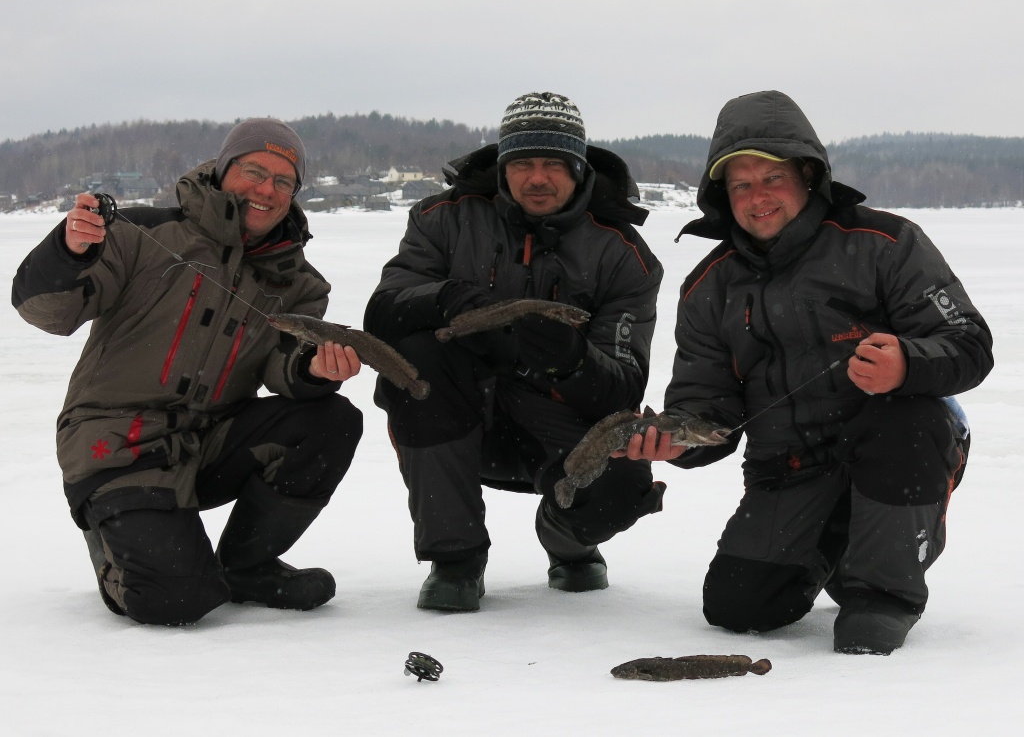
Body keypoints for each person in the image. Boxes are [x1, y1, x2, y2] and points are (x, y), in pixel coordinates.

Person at [622, 90, 993, 654]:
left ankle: (881, 592)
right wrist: (678, 444)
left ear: (807, 175)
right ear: (723, 195)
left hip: (899, 438)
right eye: (740, 184)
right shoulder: (707, 287)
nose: (757, 197)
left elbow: (969, 344)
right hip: (789, 464)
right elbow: (708, 407)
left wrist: (906, 365)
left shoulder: (886, 243)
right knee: (739, 607)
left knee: (907, 426)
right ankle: (846, 540)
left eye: (771, 177)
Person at [12, 118, 364, 625]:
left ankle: (248, 566)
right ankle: (113, 542)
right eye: (253, 171)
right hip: (117, 444)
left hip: (210, 442)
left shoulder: (300, 283)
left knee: (331, 420)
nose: (266, 189)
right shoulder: (140, 234)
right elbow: (48, 312)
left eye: (283, 181)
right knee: (177, 599)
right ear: (223, 170)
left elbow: (282, 369)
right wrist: (69, 252)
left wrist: (314, 370)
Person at [364, 92, 665, 611]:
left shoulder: (623, 253)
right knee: (415, 363)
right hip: (459, 412)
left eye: (554, 164)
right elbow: (383, 313)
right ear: (504, 168)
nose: (538, 178)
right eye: (523, 163)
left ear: (578, 167)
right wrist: (446, 297)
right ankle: (455, 559)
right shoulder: (443, 219)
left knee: (622, 483)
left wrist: (572, 359)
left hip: (555, 417)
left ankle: (567, 540)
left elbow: (624, 382)